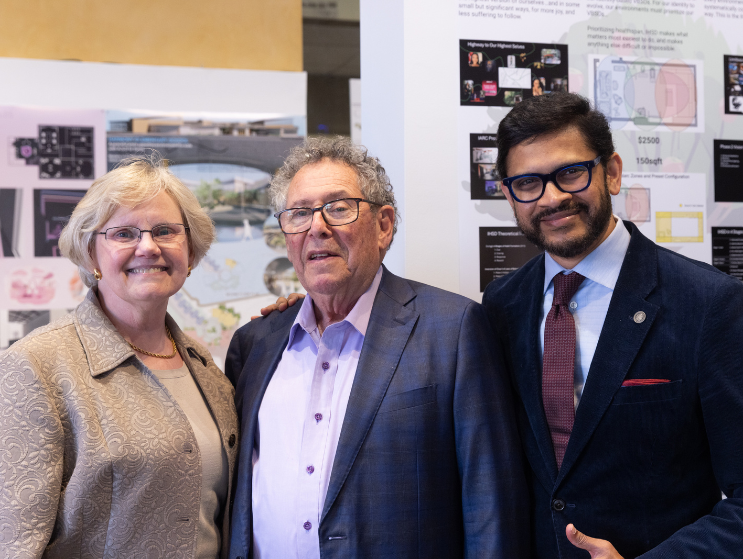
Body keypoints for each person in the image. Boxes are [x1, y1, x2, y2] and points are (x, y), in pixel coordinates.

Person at [226, 136, 528, 559]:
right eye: (299, 213)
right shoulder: (254, 344)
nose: (317, 227)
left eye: (338, 207)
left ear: (383, 225)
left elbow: (490, 504)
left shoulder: (453, 330)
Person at [483, 92, 743, 558]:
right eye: (528, 183)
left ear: (613, 172)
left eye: (570, 173)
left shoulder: (708, 304)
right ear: (508, 195)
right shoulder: (501, 305)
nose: (553, 197)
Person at [0, 155, 239, 558]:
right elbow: (13, 542)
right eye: (124, 233)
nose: (148, 246)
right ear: (92, 255)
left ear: (191, 252)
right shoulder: (36, 366)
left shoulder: (207, 369)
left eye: (165, 231)